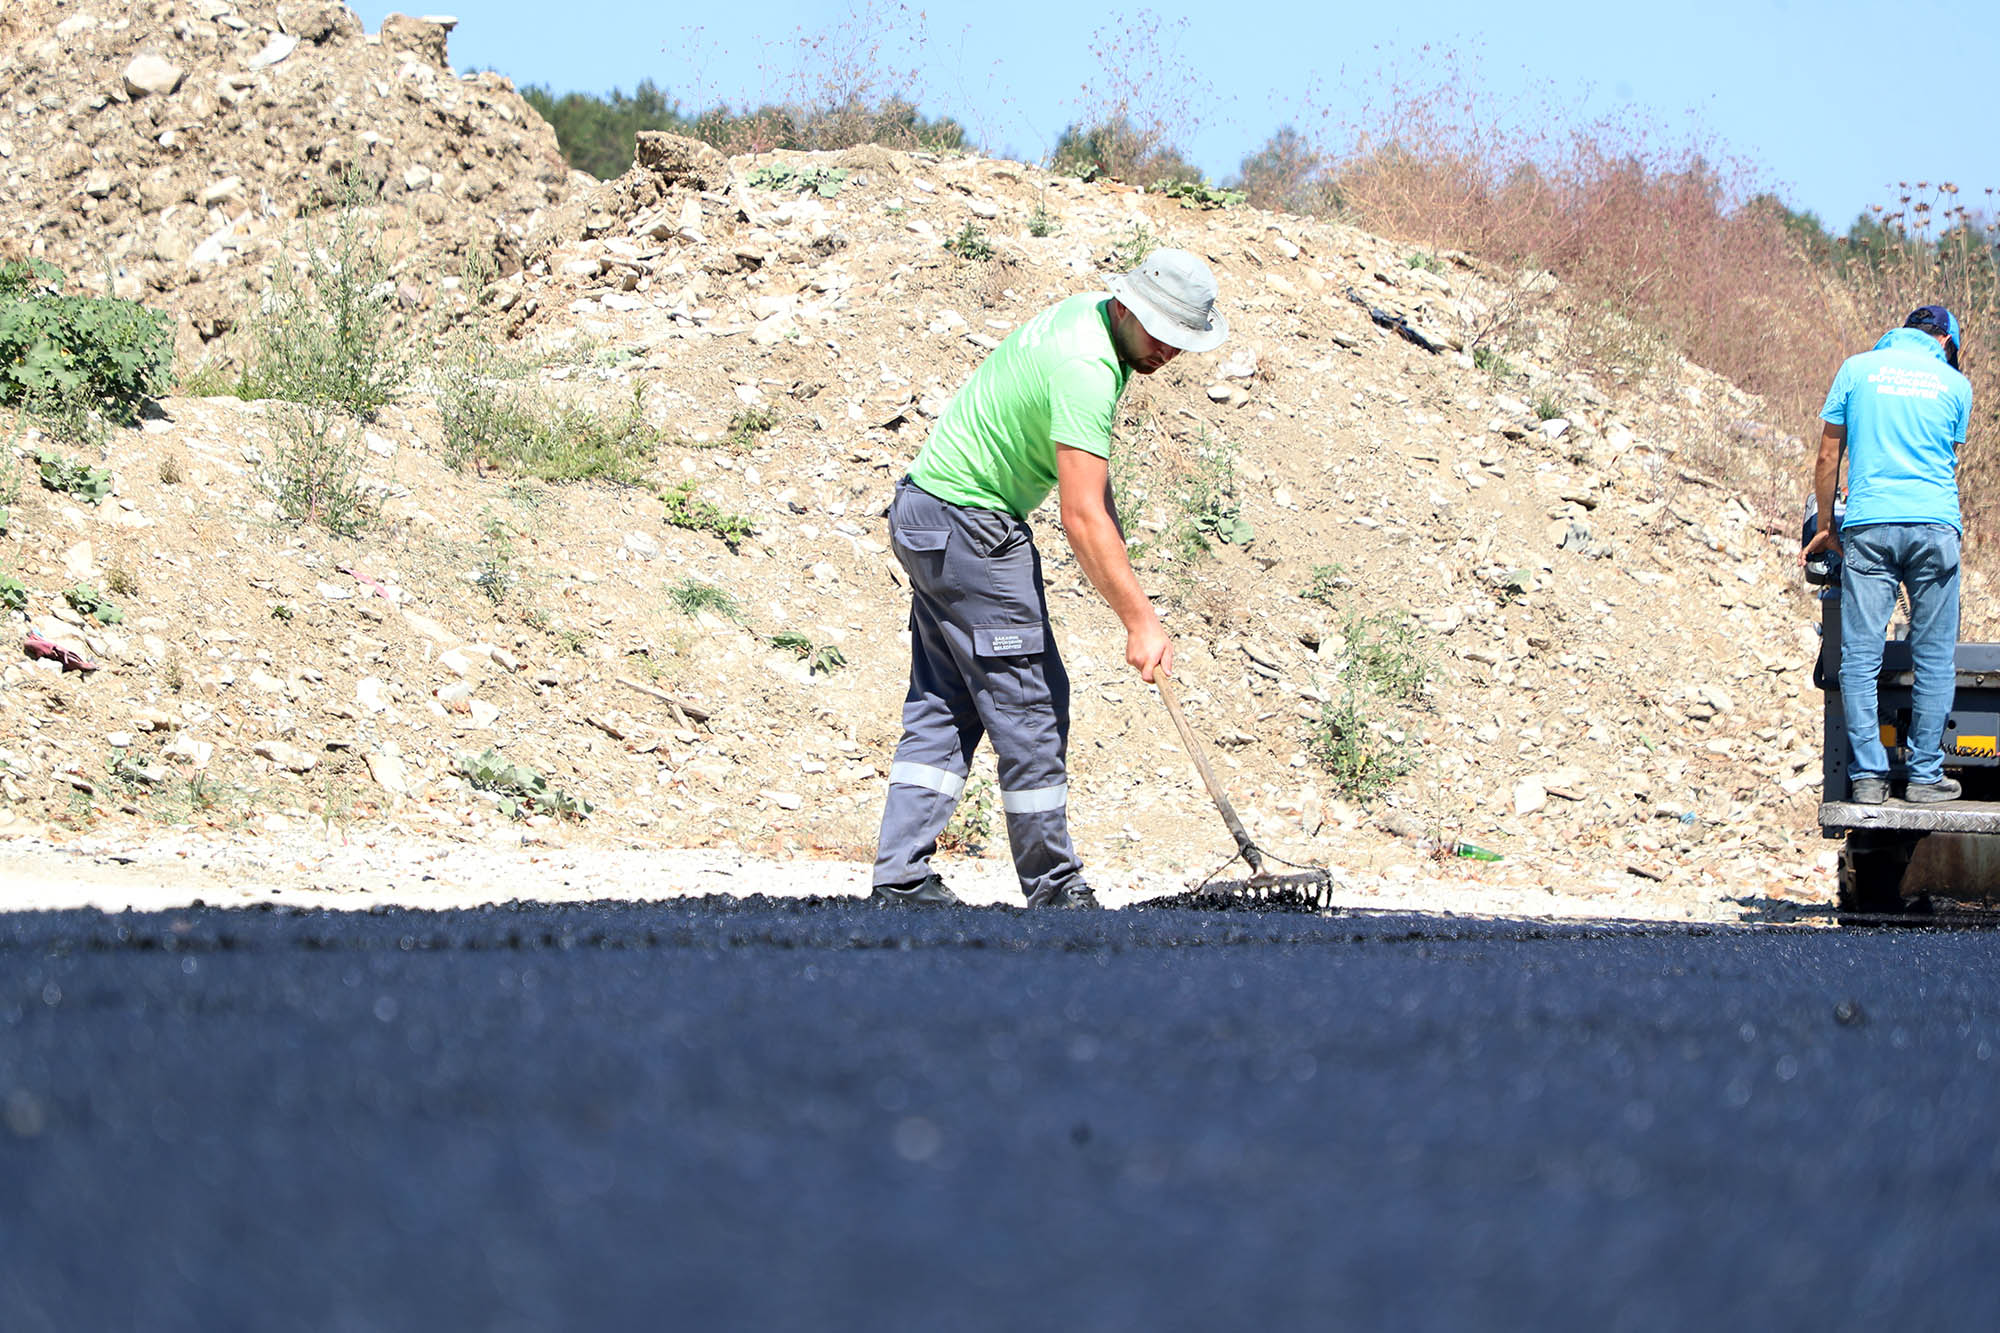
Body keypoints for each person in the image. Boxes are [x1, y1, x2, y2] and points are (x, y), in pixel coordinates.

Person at [870, 249, 1230, 906]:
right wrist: (1140, 620)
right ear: (1127, 306)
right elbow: (1081, 513)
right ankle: (1056, 890)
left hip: (924, 514)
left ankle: (900, 876)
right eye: (1161, 334)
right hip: (972, 526)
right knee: (1030, 704)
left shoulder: (1082, 323)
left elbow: (1091, 485)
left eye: (1181, 341)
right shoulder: (1088, 366)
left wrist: (1126, 581)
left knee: (946, 700)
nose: (1168, 353)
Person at [1802, 305, 1973, 804]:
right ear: (1944, 342)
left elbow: (1827, 456)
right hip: (1934, 526)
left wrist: (1827, 528)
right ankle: (1923, 776)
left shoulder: (1856, 369)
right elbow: (1942, 454)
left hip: (1870, 526)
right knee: (1935, 656)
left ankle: (1869, 780)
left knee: (1859, 657)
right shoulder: (1954, 385)